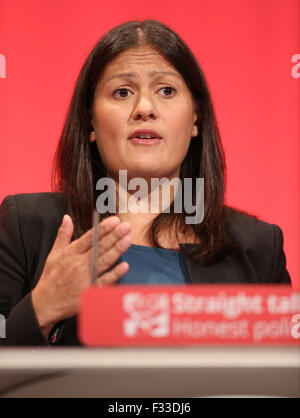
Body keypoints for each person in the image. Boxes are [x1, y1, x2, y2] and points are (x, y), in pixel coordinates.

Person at [0, 20, 291, 346]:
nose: (144, 108)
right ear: (91, 122)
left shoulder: (258, 247)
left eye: (166, 90)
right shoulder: (28, 226)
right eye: (122, 92)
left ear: (196, 117)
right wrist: (41, 309)